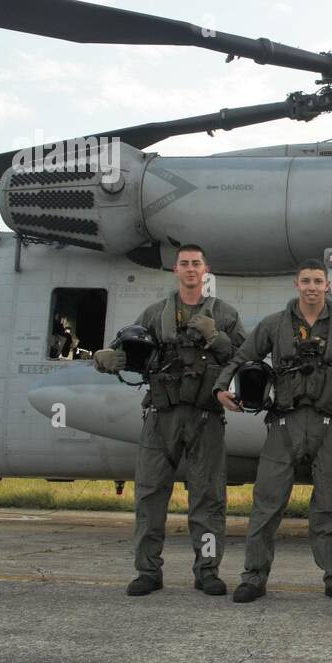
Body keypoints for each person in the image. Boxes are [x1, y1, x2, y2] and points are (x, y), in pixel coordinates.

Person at [93, 243, 246, 597]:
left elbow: (245, 358)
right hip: (161, 416)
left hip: (205, 417)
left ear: (205, 270)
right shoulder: (155, 313)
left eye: (196, 263)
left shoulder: (224, 315)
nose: (190, 269)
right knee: (149, 494)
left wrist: (215, 336)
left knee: (208, 498)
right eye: (184, 264)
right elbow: (129, 351)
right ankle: (148, 571)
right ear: (175, 271)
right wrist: (108, 360)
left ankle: (207, 570)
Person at [213, 259, 332, 604]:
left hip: (329, 424)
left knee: (330, 503)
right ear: (296, 285)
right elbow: (242, 356)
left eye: (318, 281)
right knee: (267, 502)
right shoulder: (274, 325)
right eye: (306, 281)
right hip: (284, 424)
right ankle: (253, 576)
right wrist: (221, 387)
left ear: (327, 286)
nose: (312, 287)